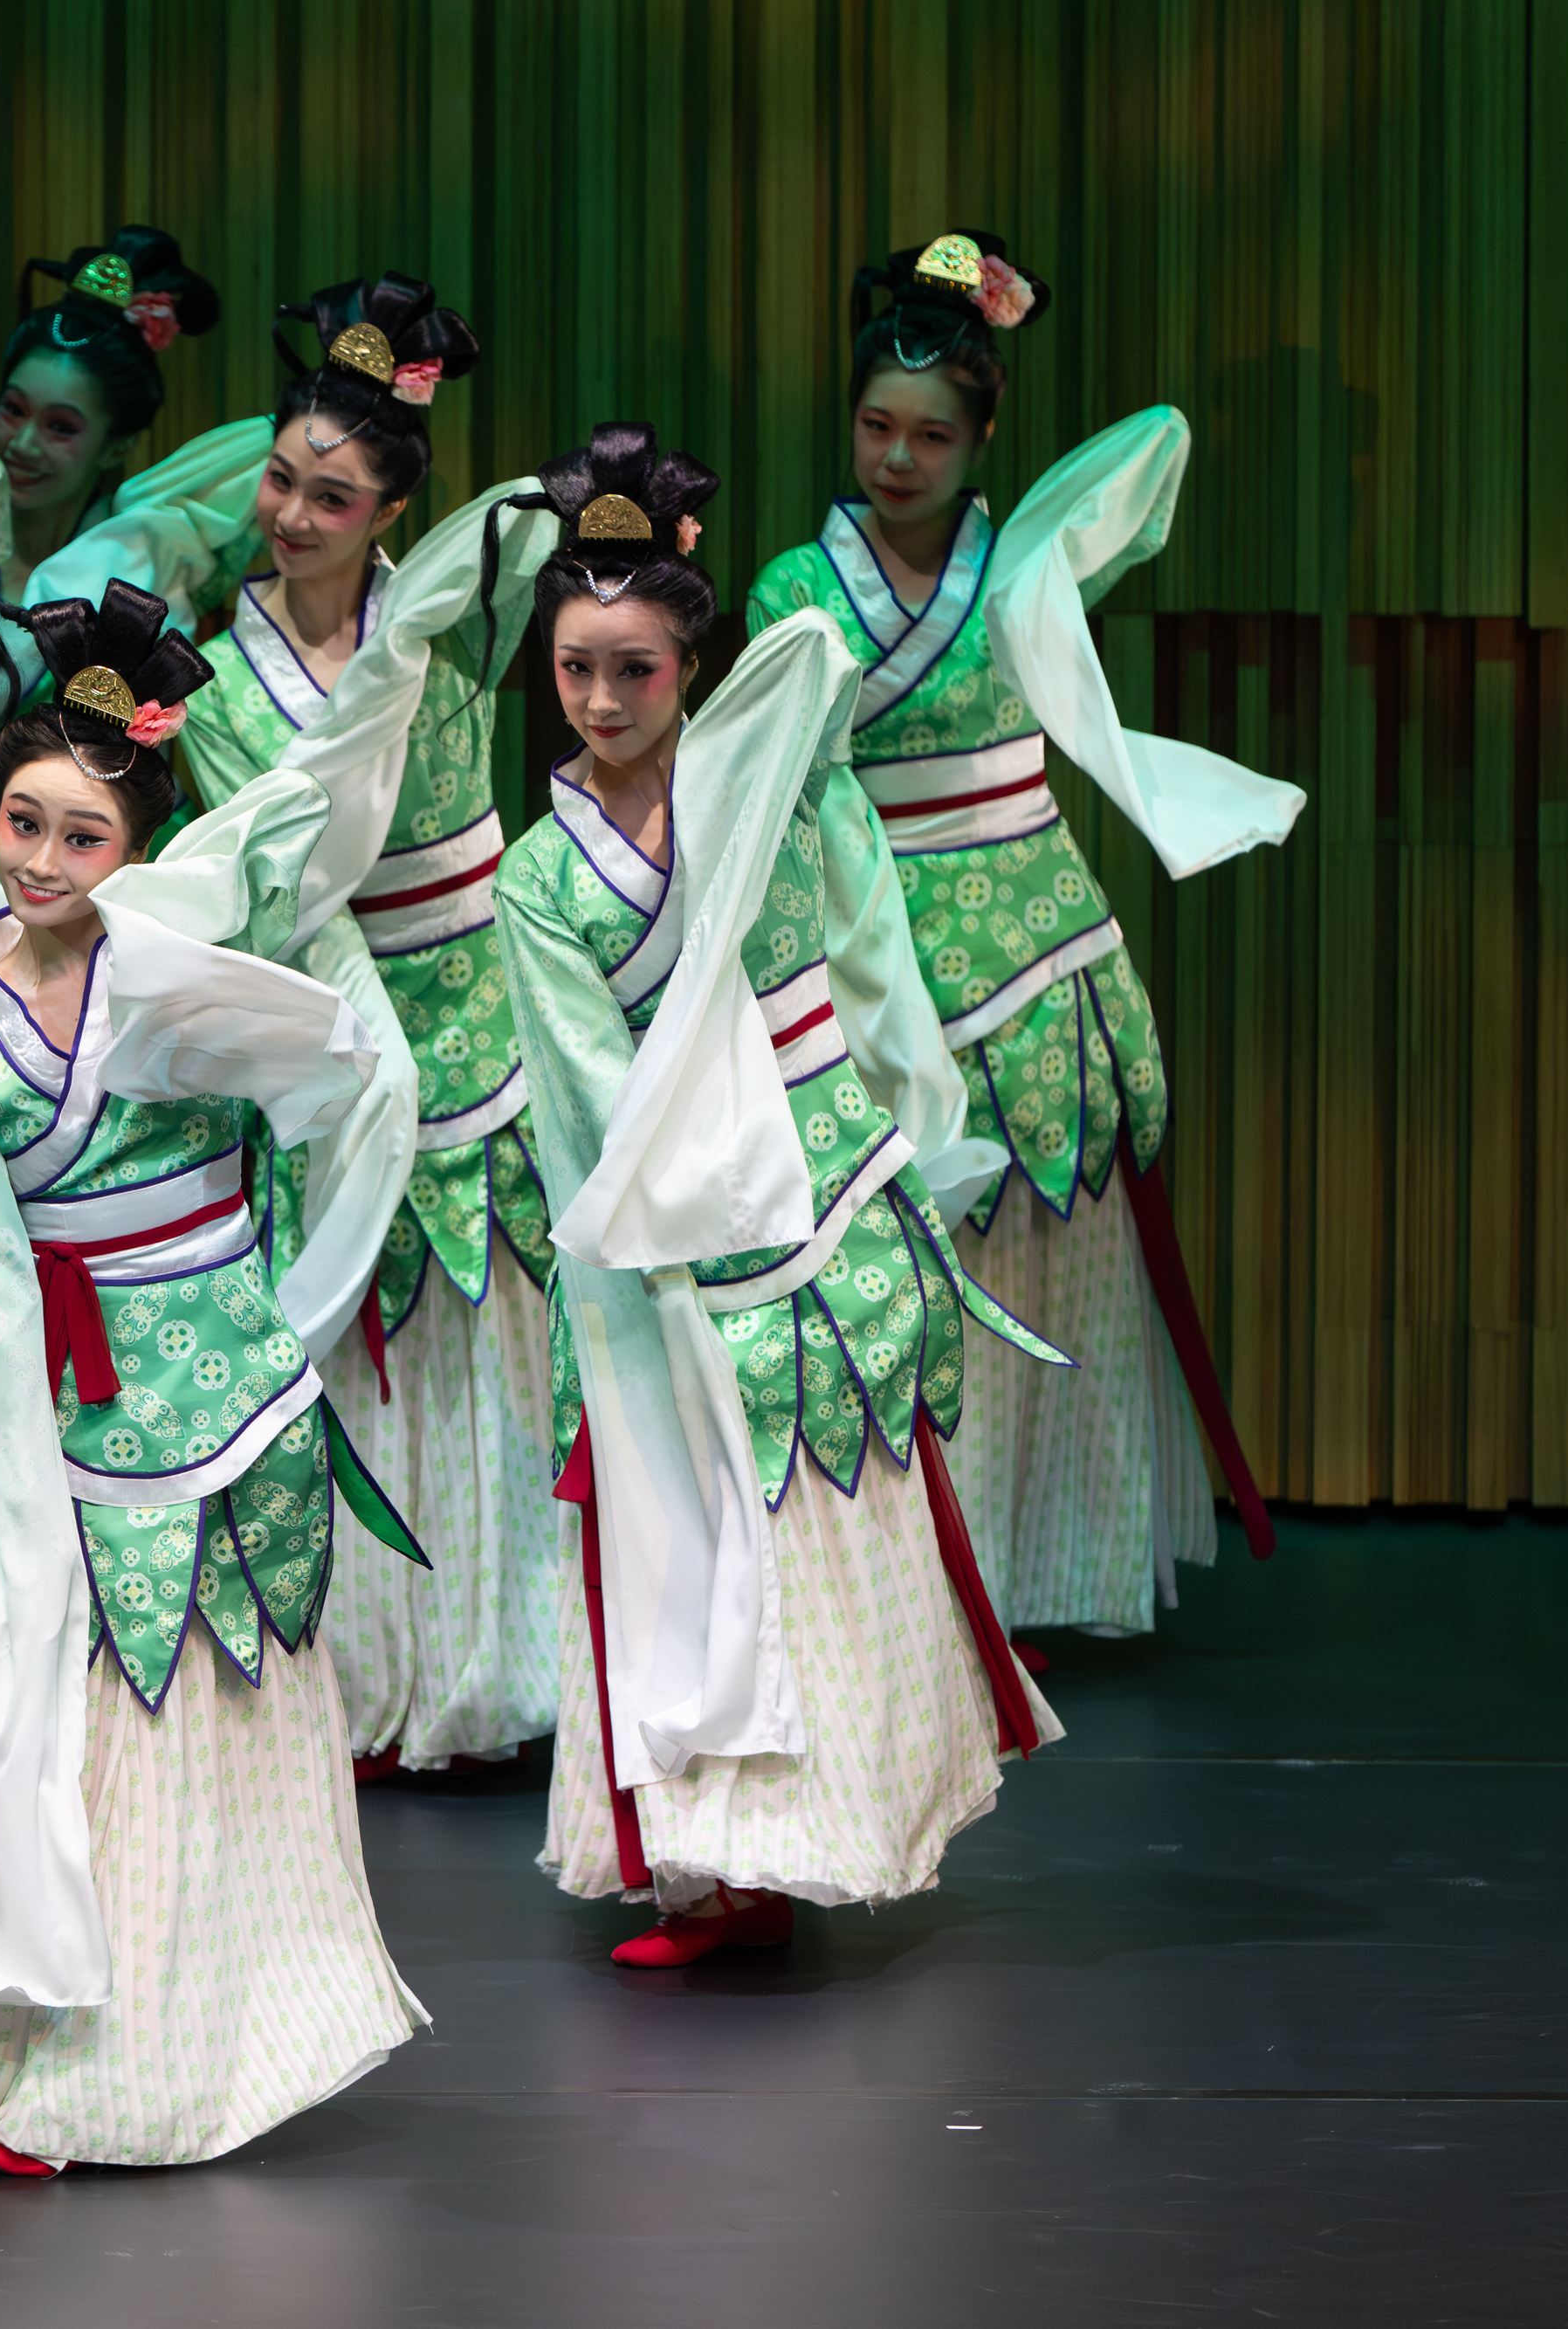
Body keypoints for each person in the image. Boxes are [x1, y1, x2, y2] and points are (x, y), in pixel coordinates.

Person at [0, 582, 428, 2173]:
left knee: (228, 1710)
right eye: (20, 820)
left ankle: (221, 2031)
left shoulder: (188, 967)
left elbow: (339, 1083)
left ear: (137, 850)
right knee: (72, 1717)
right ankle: (49, 2054)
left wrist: (293, 1296)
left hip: (236, 1378)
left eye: (82, 836)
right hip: (71, 1408)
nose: (39, 861)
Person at [494, 424, 1067, 1969]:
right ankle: (707, 1860)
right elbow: (586, 1088)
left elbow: (865, 905)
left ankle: (838, 1824)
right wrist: (672, 1228)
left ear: (696, 672)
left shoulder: (782, 787)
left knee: (830, 1514)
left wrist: (912, 1111)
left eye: (637, 669)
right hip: (661, 1229)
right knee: (686, 1538)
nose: (602, 701)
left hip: (823, 1179)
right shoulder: (541, 881)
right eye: (573, 670)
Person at [745, 234, 1303, 1640]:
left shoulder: (1025, 571)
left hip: (1040, 950)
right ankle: (909, 1572)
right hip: (874, 956)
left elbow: (1156, 445)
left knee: (1051, 1261)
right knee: (901, 1258)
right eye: (876, 425)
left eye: (934, 432)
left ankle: (1045, 1566)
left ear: (983, 436)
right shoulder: (789, 590)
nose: (897, 458)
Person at [164, 276, 563, 1781]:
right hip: (335, 1006)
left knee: (491, 1347)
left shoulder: (453, 613)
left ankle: (508, 1655)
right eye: (279, 478)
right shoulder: (204, 683)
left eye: (331, 492)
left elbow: (540, 510)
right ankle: (365, 1670)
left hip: (481, 1000)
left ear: (392, 508)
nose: (290, 513)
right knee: (364, 1342)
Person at [0, 227, 223, 868]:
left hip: (123, 876)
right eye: (12, 410)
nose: (24, 443)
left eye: (61, 426)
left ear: (118, 445)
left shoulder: (142, 573)